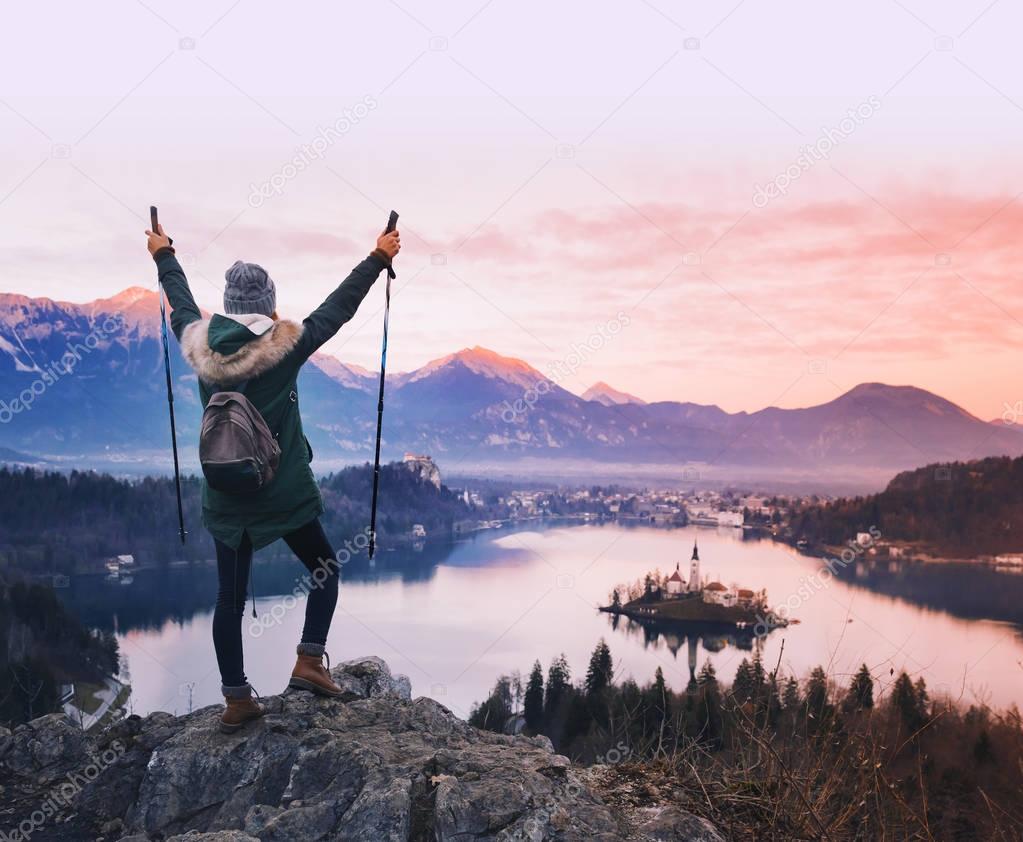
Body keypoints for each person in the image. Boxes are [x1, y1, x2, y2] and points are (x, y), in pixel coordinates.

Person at [145, 219, 400, 733]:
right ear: (270, 305)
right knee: (324, 566)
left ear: (227, 306)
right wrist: (378, 257)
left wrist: (163, 254)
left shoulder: (199, 343)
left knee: (228, 600)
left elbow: (180, 301)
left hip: (226, 496)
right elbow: (338, 308)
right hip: (283, 494)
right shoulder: (287, 345)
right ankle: (309, 661)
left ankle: (237, 699)